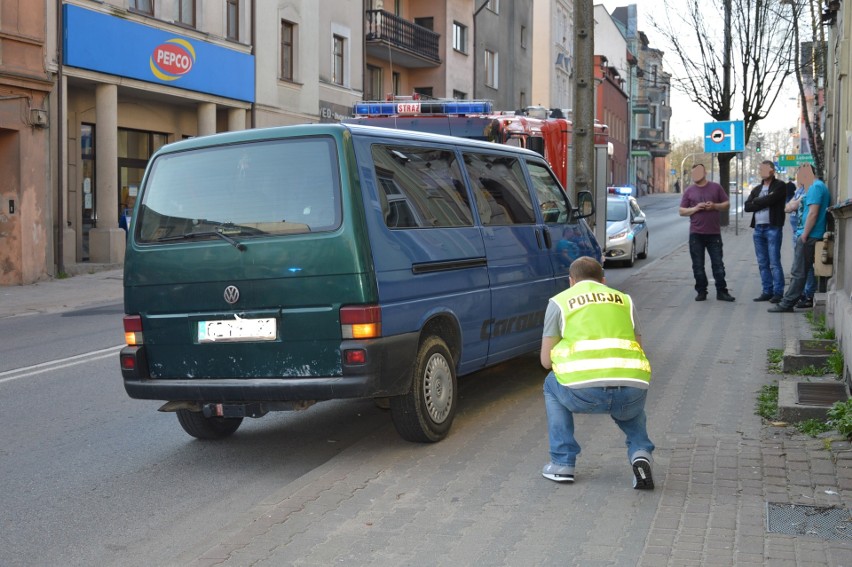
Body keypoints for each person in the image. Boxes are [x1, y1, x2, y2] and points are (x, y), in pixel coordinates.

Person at [540, 256, 654, 489]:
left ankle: (563, 463)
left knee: (551, 383)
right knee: (631, 407)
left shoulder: (560, 302)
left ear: (571, 281)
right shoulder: (624, 300)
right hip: (631, 390)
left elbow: (545, 361)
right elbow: (638, 347)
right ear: (603, 280)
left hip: (583, 393)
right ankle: (640, 453)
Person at [769, 163, 831, 313]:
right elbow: (793, 206)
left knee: (798, 271)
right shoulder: (813, 187)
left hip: (809, 235)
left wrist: (804, 235)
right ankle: (790, 301)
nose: (798, 178)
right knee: (801, 270)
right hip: (808, 234)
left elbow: (813, 213)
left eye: (799, 175)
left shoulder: (816, 187)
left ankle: (787, 303)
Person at [678, 164, 736, 302]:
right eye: (693, 173)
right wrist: (696, 208)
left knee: (718, 264)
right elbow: (681, 211)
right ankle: (701, 291)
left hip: (714, 233)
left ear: (704, 172)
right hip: (696, 234)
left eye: (697, 172)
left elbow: (726, 204)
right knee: (698, 265)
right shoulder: (689, 191)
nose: (695, 176)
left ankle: (722, 291)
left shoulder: (716, 187)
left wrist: (714, 206)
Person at [744, 160, 787, 303]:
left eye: (764, 169)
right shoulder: (756, 189)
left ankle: (778, 292)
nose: (761, 171)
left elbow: (772, 199)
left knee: (774, 262)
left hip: (773, 227)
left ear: (772, 170)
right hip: (758, 229)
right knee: (762, 262)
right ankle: (767, 291)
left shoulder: (780, 186)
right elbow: (747, 207)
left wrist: (757, 201)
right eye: (760, 169)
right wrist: (762, 200)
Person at [787, 180, 817, 307]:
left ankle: (808, 294)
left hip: (804, 234)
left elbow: (795, 207)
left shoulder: (812, 190)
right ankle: (803, 294)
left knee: (805, 267)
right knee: (800, 266)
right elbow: (788, 207)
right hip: (798, 232)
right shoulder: (800, 189)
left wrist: (804, 235)